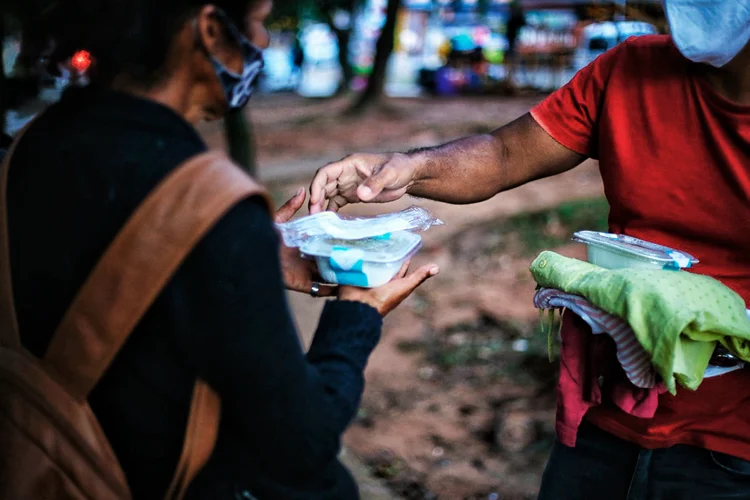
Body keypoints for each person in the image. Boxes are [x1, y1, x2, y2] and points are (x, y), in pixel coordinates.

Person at [309, 0, 750, 498]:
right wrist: (406, 167)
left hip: (731, 445)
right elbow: (503, 154)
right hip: (602, 415)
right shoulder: (627, 70)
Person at [5, 0, 438, 498]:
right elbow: (299, 439)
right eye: (258, 20)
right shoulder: (206, 201)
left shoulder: (27, 147)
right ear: (211, 29)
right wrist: (357, 312)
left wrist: (239, 260)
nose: (265, 40)